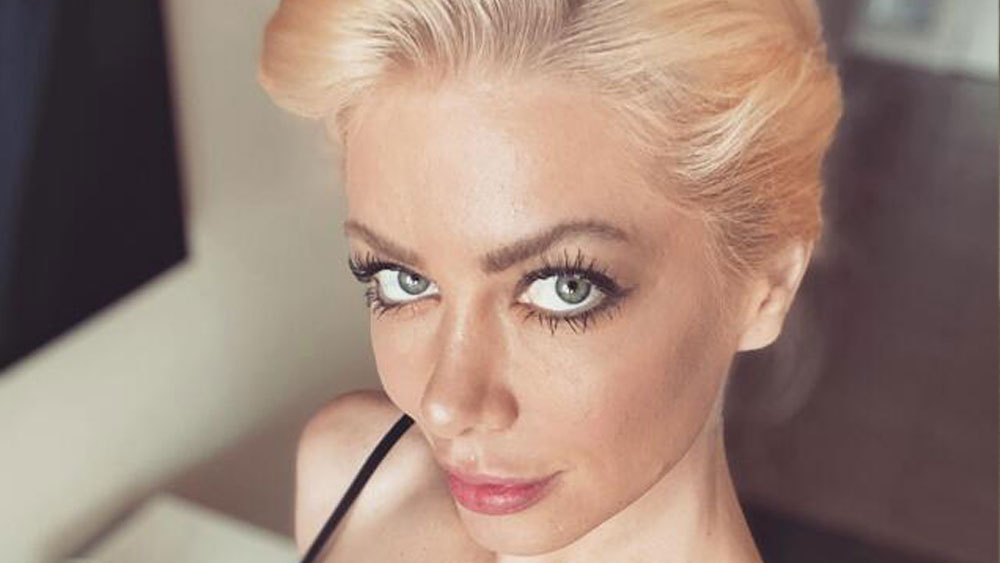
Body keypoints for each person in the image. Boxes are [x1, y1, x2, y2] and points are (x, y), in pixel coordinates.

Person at [258, 0, 843, 560]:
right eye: (402, 280)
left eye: (566, 289)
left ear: (767, 288)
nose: (445, 406)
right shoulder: (358, 472)